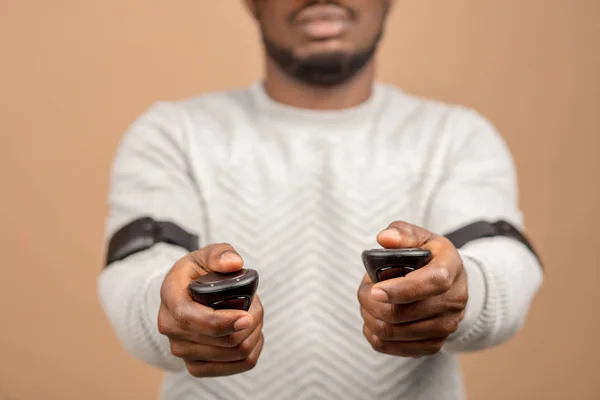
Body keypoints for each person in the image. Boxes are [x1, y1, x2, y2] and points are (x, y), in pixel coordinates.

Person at [97, 1, 544, 399]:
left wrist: (462, 295)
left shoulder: (458, 136)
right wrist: (172, 307)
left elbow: (503, 260)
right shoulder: (172, 134)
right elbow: (135, 272)